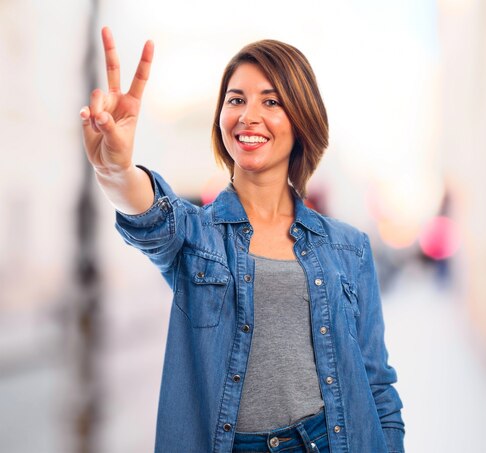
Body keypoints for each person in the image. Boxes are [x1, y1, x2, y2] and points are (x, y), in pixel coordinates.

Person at [80, 27, 405, 453]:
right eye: (236, 99)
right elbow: (150, 214)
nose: (248, 115)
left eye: (270, 101)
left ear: (301, 118)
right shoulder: (198, 237)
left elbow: (377, 386)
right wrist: (116, 171)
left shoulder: (349, 248)